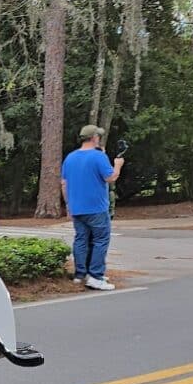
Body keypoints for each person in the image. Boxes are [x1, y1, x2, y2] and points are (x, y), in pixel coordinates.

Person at [60, 124, 124, 290]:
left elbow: (64, 183)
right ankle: (95, 276)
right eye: (99, 136)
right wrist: (118, 164)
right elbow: (110, 177)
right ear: (95, 138)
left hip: (77, 207)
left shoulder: (70, 157)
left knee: (81, 239)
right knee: (100, 240)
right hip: (96, 207)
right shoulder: (98, 157)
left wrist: (68, 204)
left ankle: (80, 274)